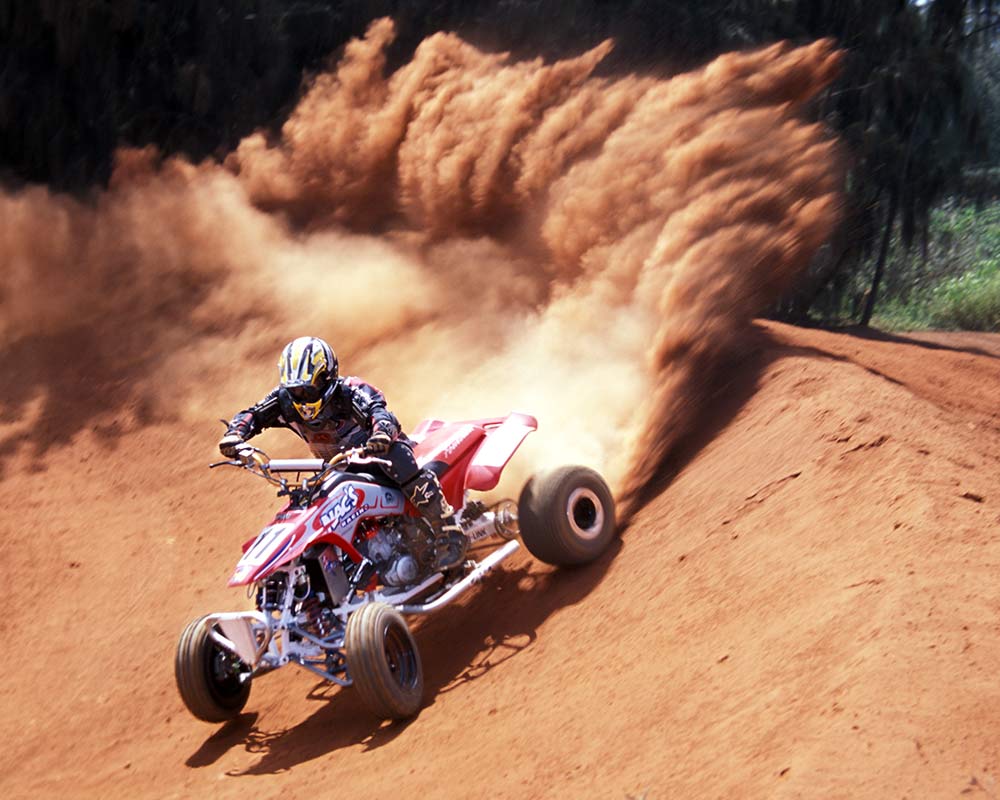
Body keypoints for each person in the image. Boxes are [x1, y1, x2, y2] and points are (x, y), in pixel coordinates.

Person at [218, 336, 468, 570]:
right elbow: (253, 414)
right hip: (339, 468)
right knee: (306, 502)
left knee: (397, 461)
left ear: (327, 378)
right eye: (295, 390)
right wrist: (234, 435)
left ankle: (449, 532)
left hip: (378, 457)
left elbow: (379, 413)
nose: (301, 396)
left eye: (308, 389)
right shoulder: (283, 400)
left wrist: (380, 435)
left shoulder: (349, 391)